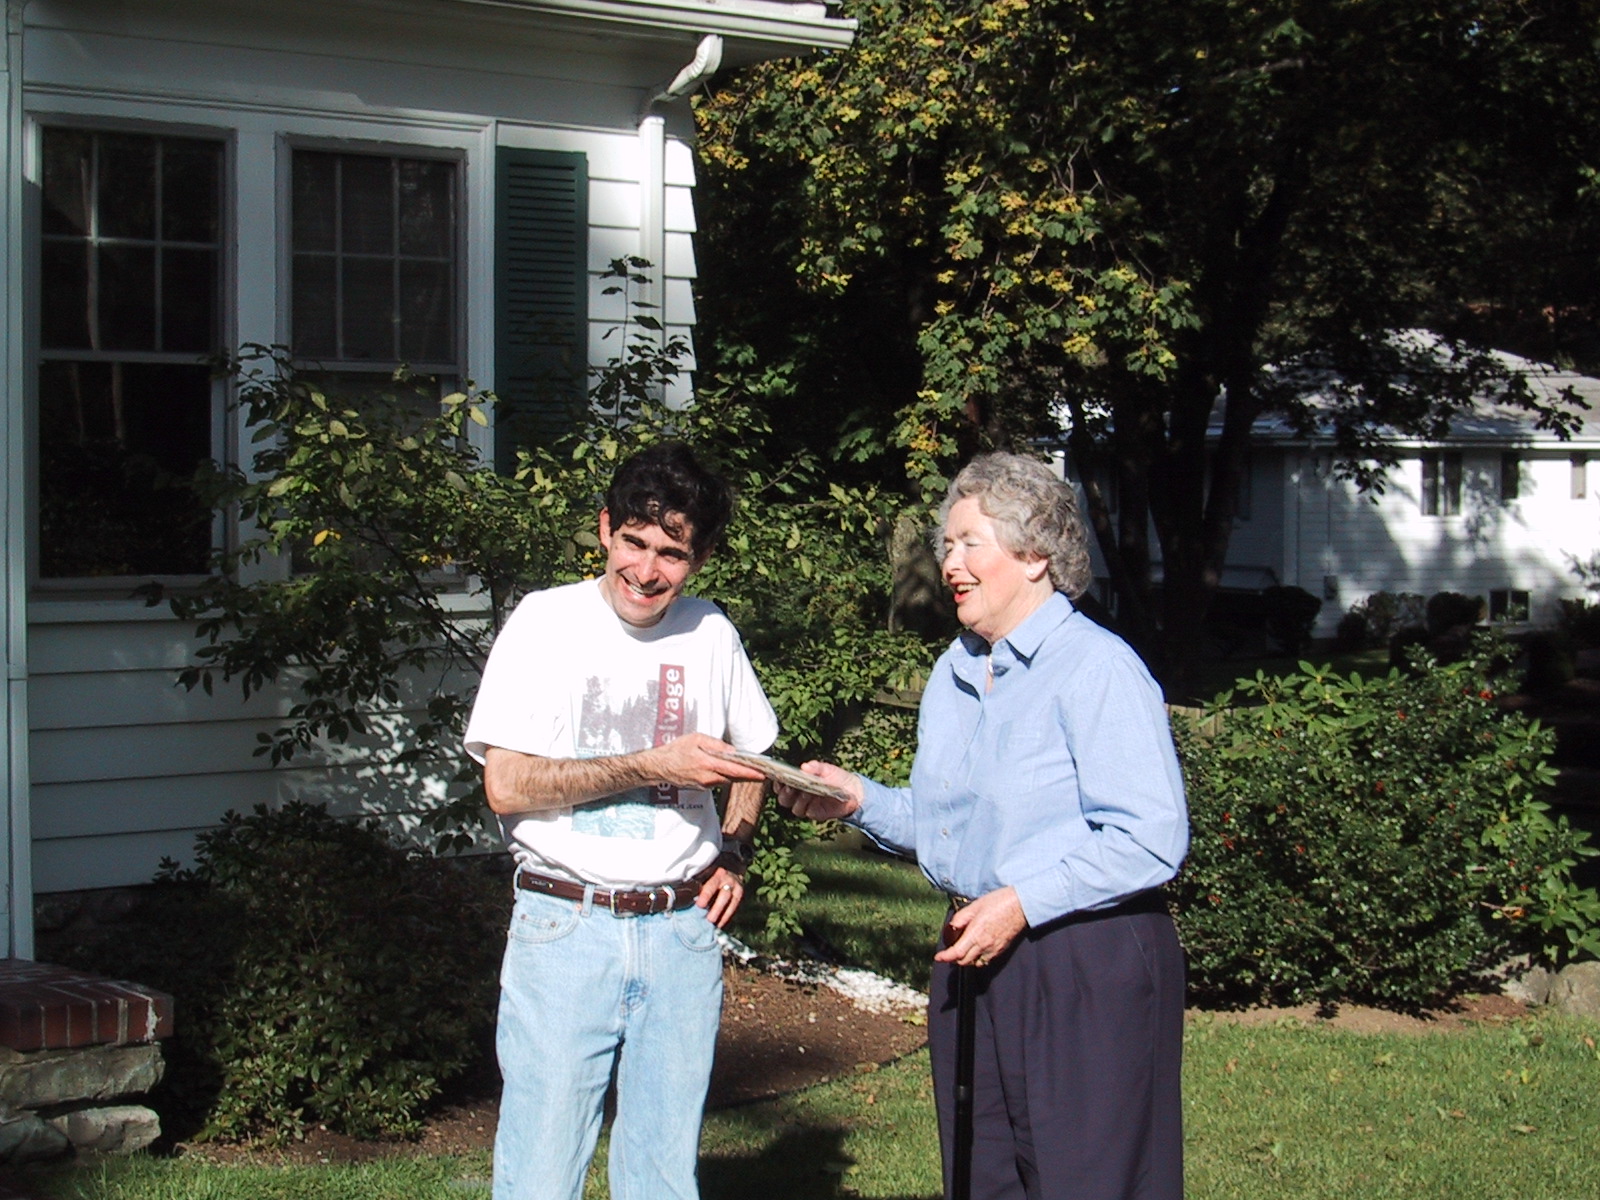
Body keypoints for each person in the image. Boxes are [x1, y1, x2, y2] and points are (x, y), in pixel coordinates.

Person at [778, 451, 1189, 1200]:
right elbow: (956, 828)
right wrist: (859, 800)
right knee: (982, 1176)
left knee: (1085, 1181)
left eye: (971, 542)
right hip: (976, 949)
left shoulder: (1096, 668)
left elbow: (1150, 837)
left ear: (1036, 555)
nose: (950, 563)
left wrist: (1023, 902)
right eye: (947, 544)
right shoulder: (957, 669)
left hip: (1080, 960)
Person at [464, 441, 776, 1200]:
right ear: (605, 528)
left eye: (672, 554)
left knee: (663, 1176)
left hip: (681, 933)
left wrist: (734, 851)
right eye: (634, 542)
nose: (646, 570)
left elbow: (756, 758)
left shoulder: (711, 633)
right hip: (566, 924)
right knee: (540, 1175)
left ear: (699, 559)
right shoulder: (545, 622)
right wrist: (652, 764)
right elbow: (505, 786)